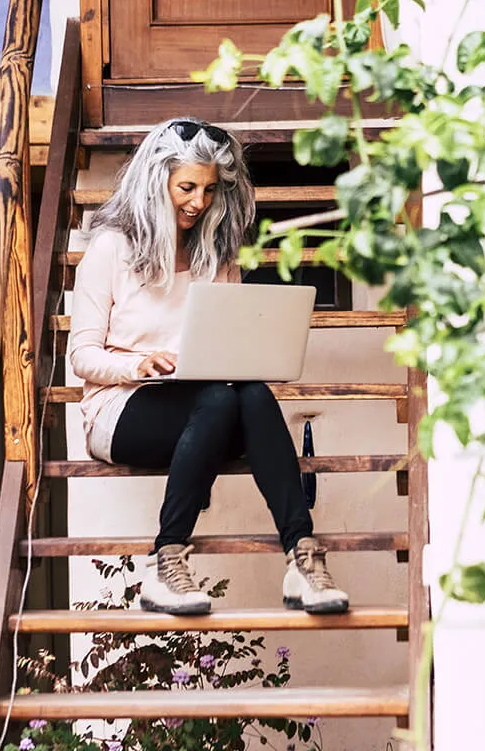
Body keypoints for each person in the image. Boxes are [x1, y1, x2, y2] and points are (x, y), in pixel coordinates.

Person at [68, 117, 348, 616]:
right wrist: (138, 365)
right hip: (121, 409)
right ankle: (165, 562)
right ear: (156, 183)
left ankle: (302, 558)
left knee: (251, 393)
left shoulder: (214, 255)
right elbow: (82, 356)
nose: (199, 202)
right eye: (187, 187)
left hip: (207, 406)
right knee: (219, 399)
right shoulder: (111, 248)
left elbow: (227, 341)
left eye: (210, 189)